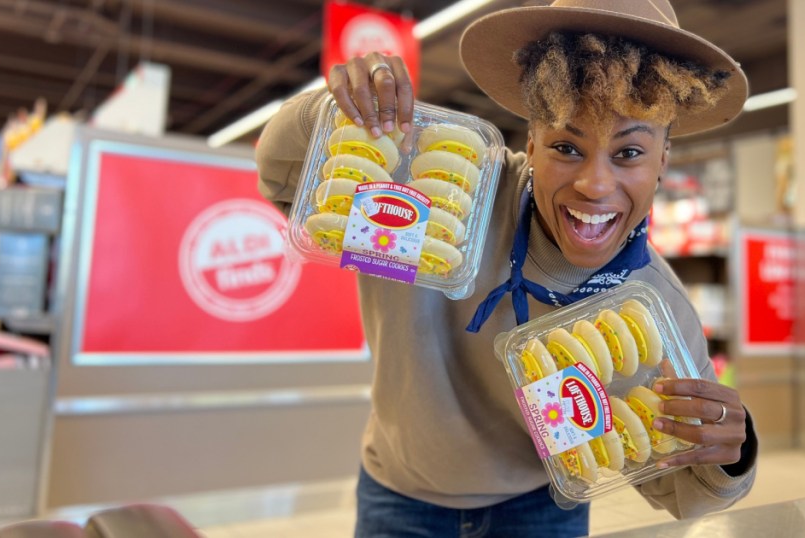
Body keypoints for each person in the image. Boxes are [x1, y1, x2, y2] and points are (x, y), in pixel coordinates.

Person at [256, 1, 757, 536]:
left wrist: (734, 450)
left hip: (539, 510)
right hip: (399, 496)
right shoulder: (445, 196)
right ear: (532, 144)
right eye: (567, 146)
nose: (595, 184)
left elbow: (681, 491)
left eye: (629, 153)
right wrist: (325, 114)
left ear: (663, 160)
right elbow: (286, 185)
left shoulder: (652, 312)